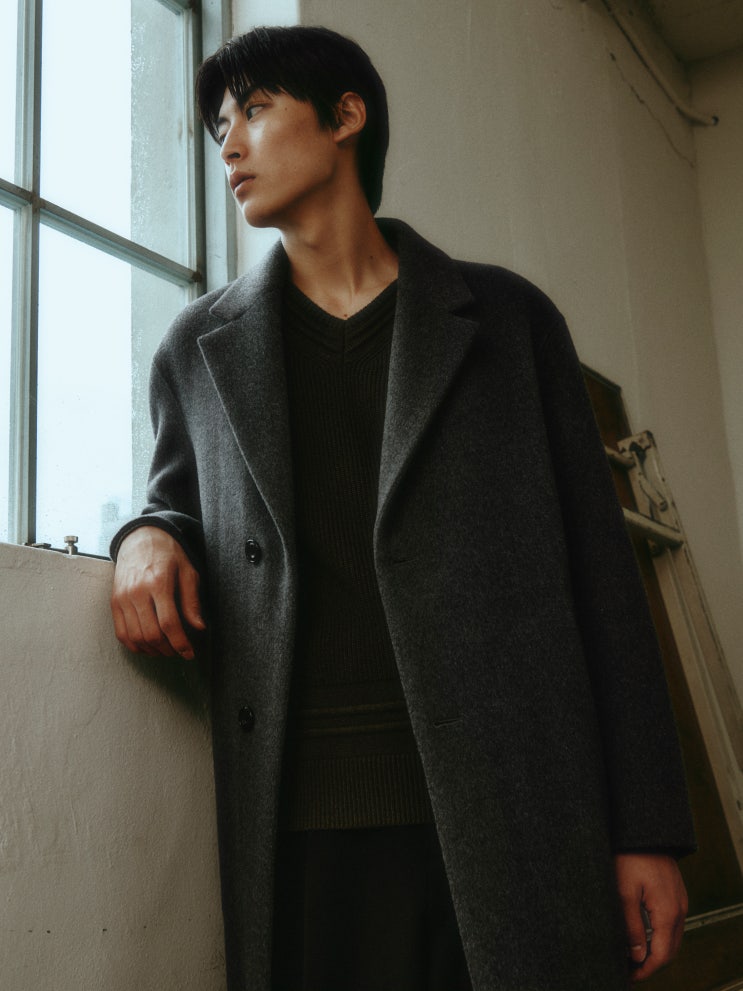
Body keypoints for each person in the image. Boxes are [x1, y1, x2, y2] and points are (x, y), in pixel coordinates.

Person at [110, 24, 695, 991]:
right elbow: (177, 503)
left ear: (346, 116)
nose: (229, 144)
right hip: (305, 827)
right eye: (218, 127)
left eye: (254, 110)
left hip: (514, 807)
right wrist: (141, 537)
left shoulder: (508, 322)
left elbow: (604, 576)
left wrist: (647, 829)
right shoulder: (196, 349)